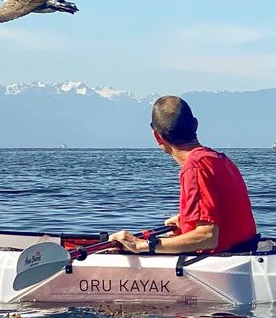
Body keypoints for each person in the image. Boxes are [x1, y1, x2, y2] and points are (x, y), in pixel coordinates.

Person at [109, 96, 257, 255]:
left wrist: (141, 245)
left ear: (157, 137)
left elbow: (208, 236)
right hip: (245, 253)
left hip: (224, 264)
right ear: (195, 125)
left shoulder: (195, 168)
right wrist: (188, 222)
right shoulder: (221, 160)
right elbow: (227, 216)